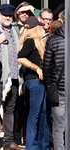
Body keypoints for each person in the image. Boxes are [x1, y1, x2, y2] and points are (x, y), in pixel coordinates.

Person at [0, 4, 24, 150]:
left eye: (10, 15)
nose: (8, 18)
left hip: (15, 77)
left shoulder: (16, 30)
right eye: (5, 15)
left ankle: (9, 142)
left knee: (10, 109)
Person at [18, 16, 50, 150]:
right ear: (35, 28)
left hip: (41, 82)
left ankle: (43, 145)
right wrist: (36, 68)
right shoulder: (30, 41)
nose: (43, 28)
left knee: (43, 114)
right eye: (40, 26)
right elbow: (20, 57)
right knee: (34, 114)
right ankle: (31, 146)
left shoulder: (39, 42)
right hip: (34, 81)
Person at [43, 12, 65, 150]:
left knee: (58, 127)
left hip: (59, 89)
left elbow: (46, 67)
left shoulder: (53, 40)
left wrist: (50, 85)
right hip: (61, 88)